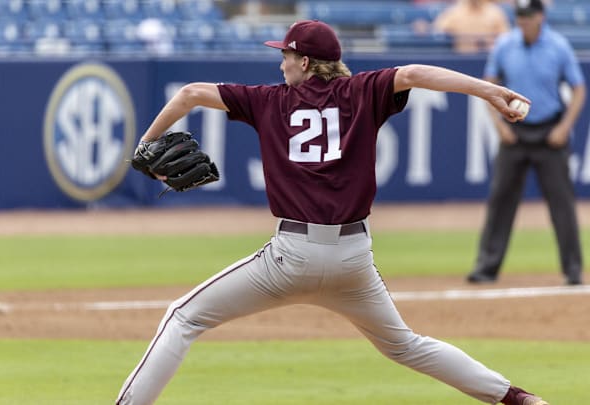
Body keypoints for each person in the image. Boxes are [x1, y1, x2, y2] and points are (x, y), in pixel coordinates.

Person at [116, 20, 549, 405]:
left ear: (305, 62)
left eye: (285, 54)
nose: (281, 62)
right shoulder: (362, 91)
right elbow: (416, 73)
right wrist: (490, 90)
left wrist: (144, 146)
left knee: (183, 316)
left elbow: (189, 93)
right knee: (406, 346)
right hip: (353, 260)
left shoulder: (269, 101)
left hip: (290, 257)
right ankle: (514, 397)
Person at [467, 0, 585, 286]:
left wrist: (564, 127)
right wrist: (499, 126)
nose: (523, 21)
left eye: (528, 16)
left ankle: (572, 270)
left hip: (549, 133)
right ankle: (486, 268)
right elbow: (488, 85)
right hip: (514, 132)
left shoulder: (558, 46)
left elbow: (578, 89)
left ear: (540, 16)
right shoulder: (505, 45)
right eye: (519, 16)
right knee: (501, 201)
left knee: (562, 203)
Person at [432, 0, 510, 53]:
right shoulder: (454, 12)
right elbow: (439, 32)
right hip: (461, 60)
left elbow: (505, 38)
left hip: (487, 59)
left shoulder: (495, 12)